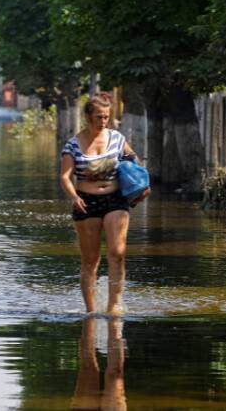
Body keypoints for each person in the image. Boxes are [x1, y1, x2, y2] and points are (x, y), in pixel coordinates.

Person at [60, 92, 140, 316]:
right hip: (86, 202)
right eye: (99, 117)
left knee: (117, 253)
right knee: (91, 260)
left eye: (106, 117)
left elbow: (134, 163)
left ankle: (114, 305)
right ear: (88, 116)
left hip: (116, 199)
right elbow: (65, 177)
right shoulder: (73, 145)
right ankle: (91, 311)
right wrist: (74, 197)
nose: (103, 122)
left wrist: (140, 184)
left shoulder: (117, 139)